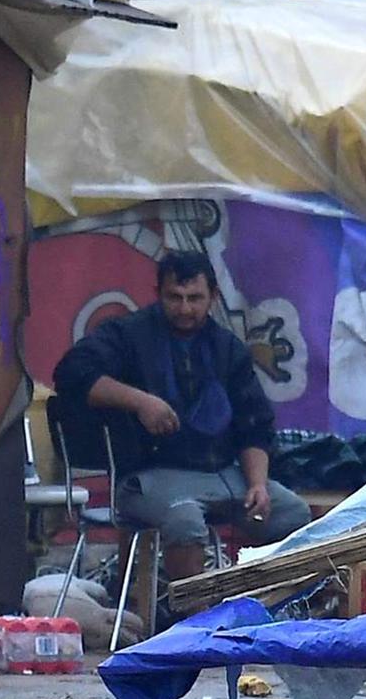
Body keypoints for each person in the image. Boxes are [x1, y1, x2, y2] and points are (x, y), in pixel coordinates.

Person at [48, 249, 310, 587]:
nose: (185, 308)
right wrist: (140, 401)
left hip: (222, 473)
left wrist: (258, 484)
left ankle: (264, 607)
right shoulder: (129, 335)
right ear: (159, 294)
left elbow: (254, 426)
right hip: (146, 477)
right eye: (175, 297)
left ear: (213, 297)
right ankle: (189, 620)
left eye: (194, 298)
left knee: (293, 512)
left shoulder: (227, 348)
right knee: (184, 518)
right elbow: (71, 373)